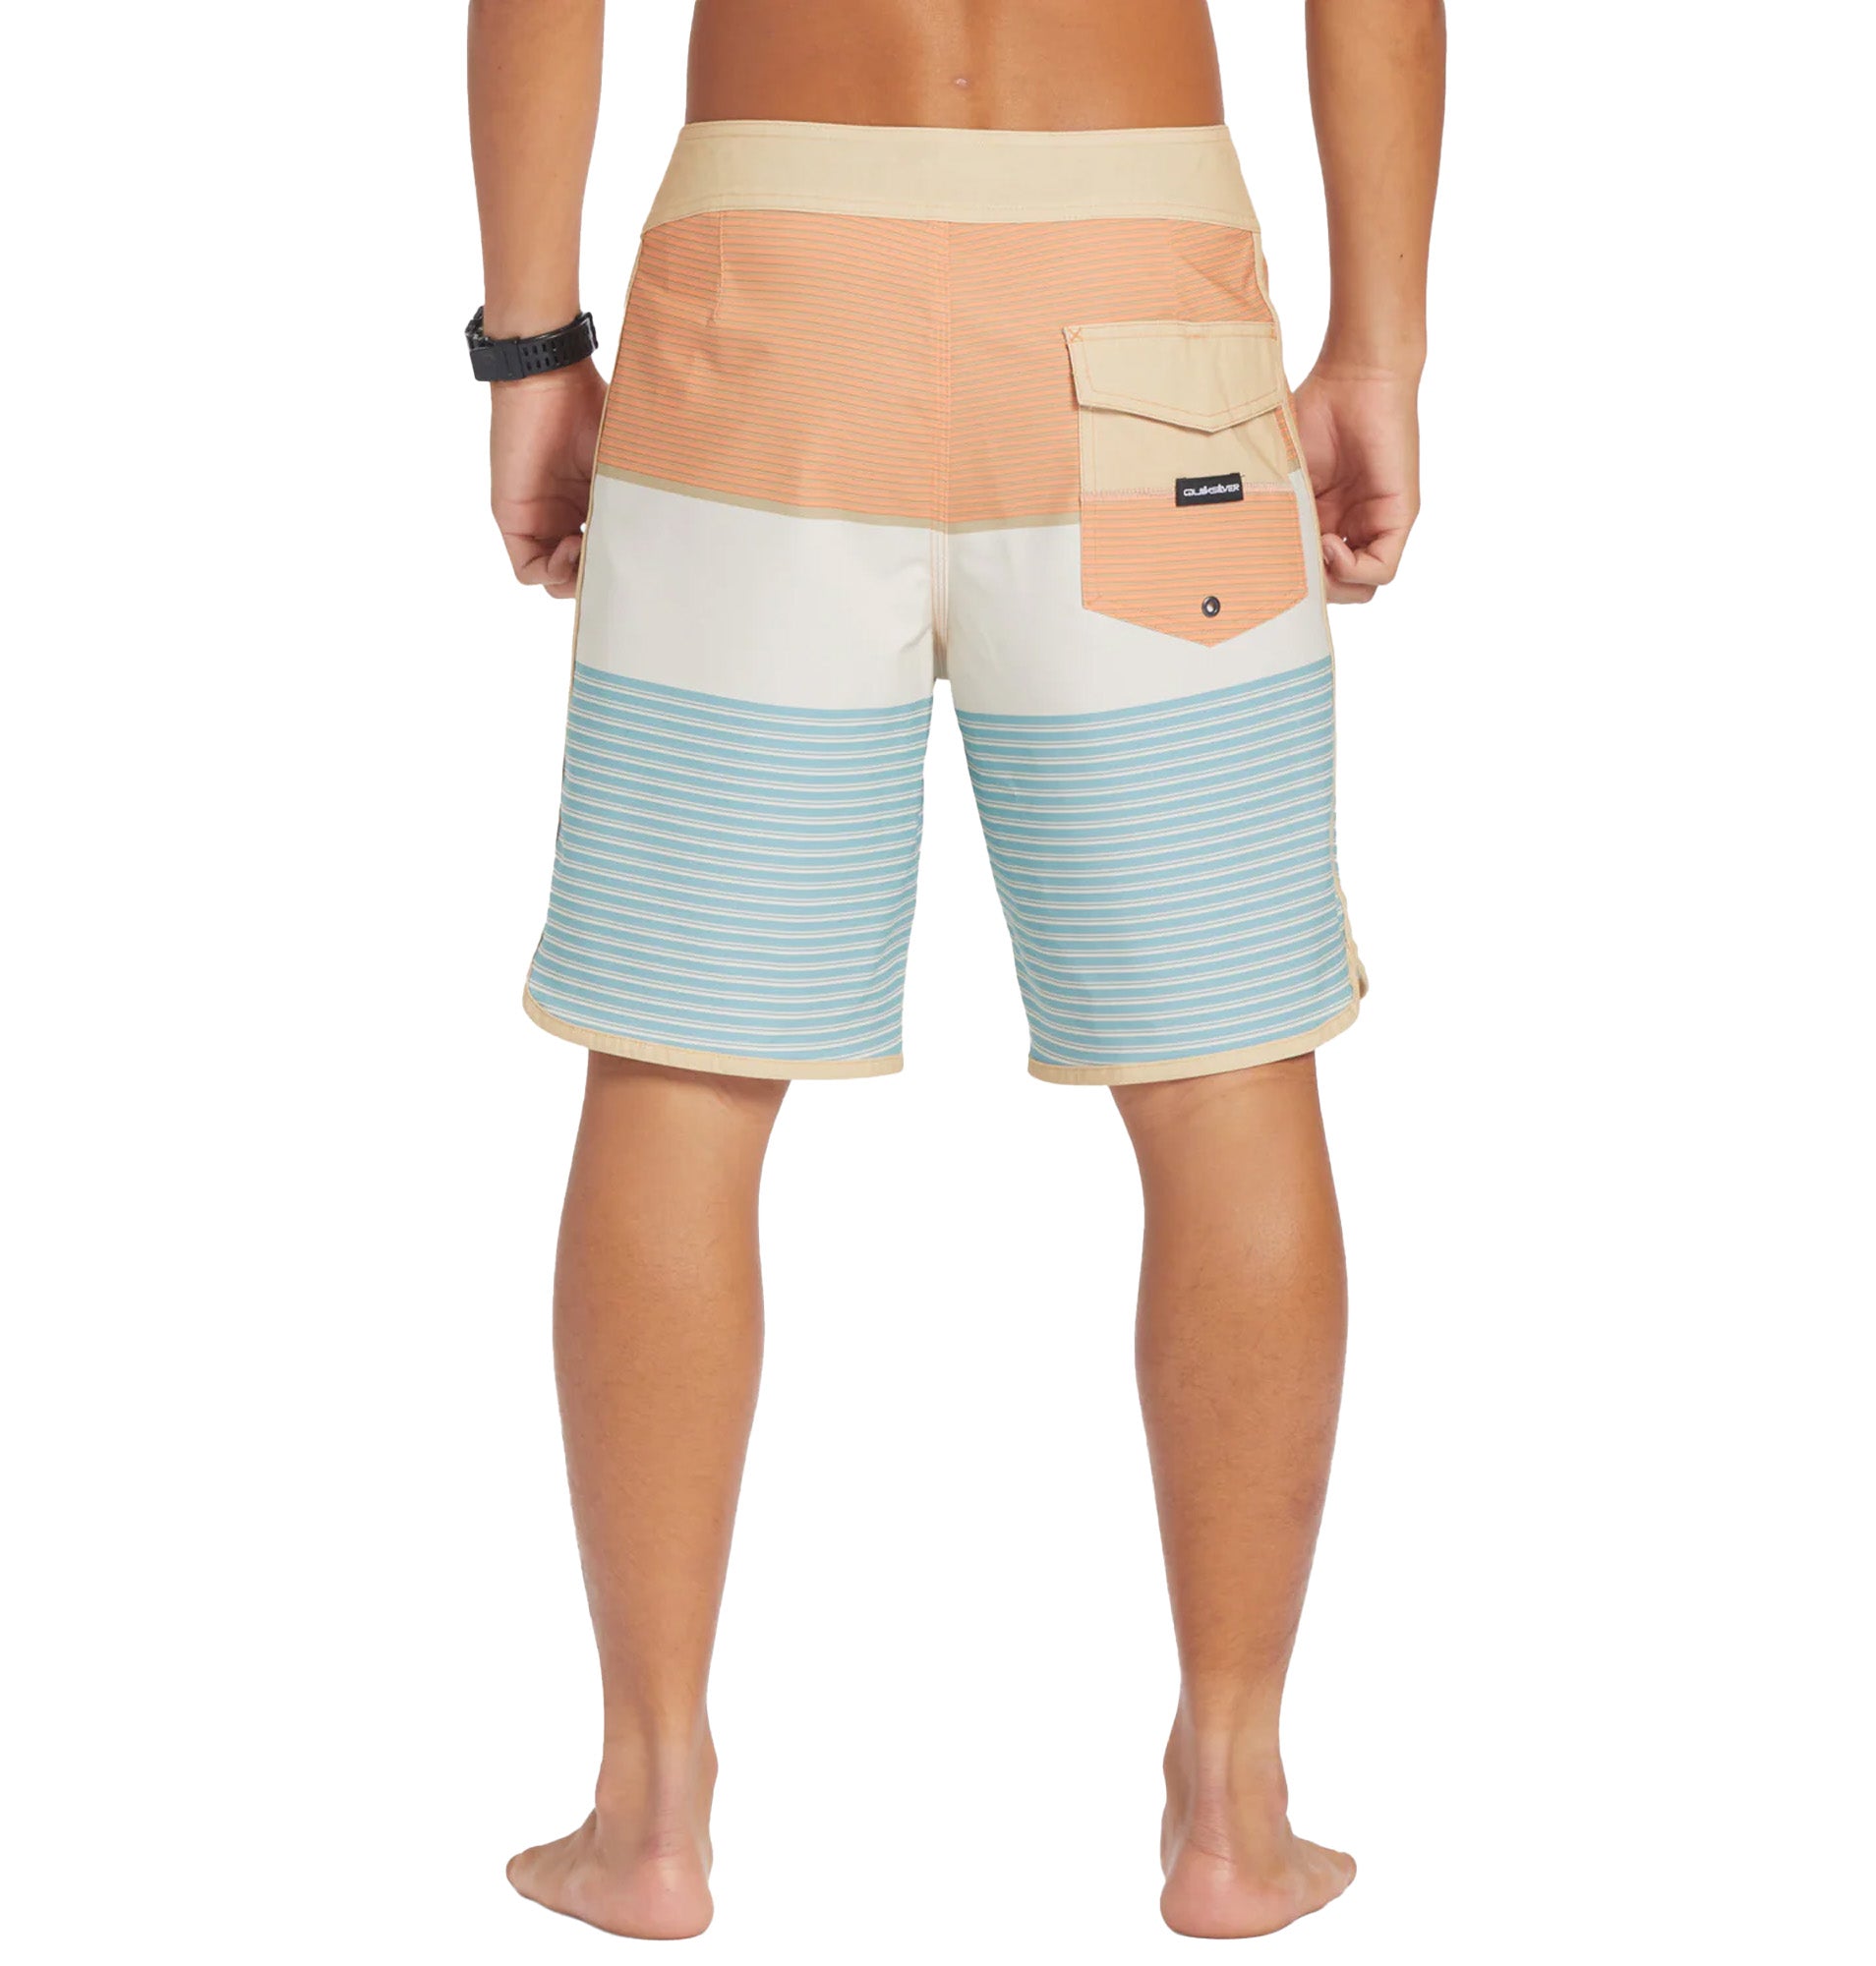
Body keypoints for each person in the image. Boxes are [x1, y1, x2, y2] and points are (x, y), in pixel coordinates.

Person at [467, 0, 1442, 1938]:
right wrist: (1379, 349)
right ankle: (1234, 1801)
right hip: (1141, 302)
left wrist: (531, 346)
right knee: (1225, 1069)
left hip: (767, 311)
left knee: (679, 1065)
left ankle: (647, 1807)